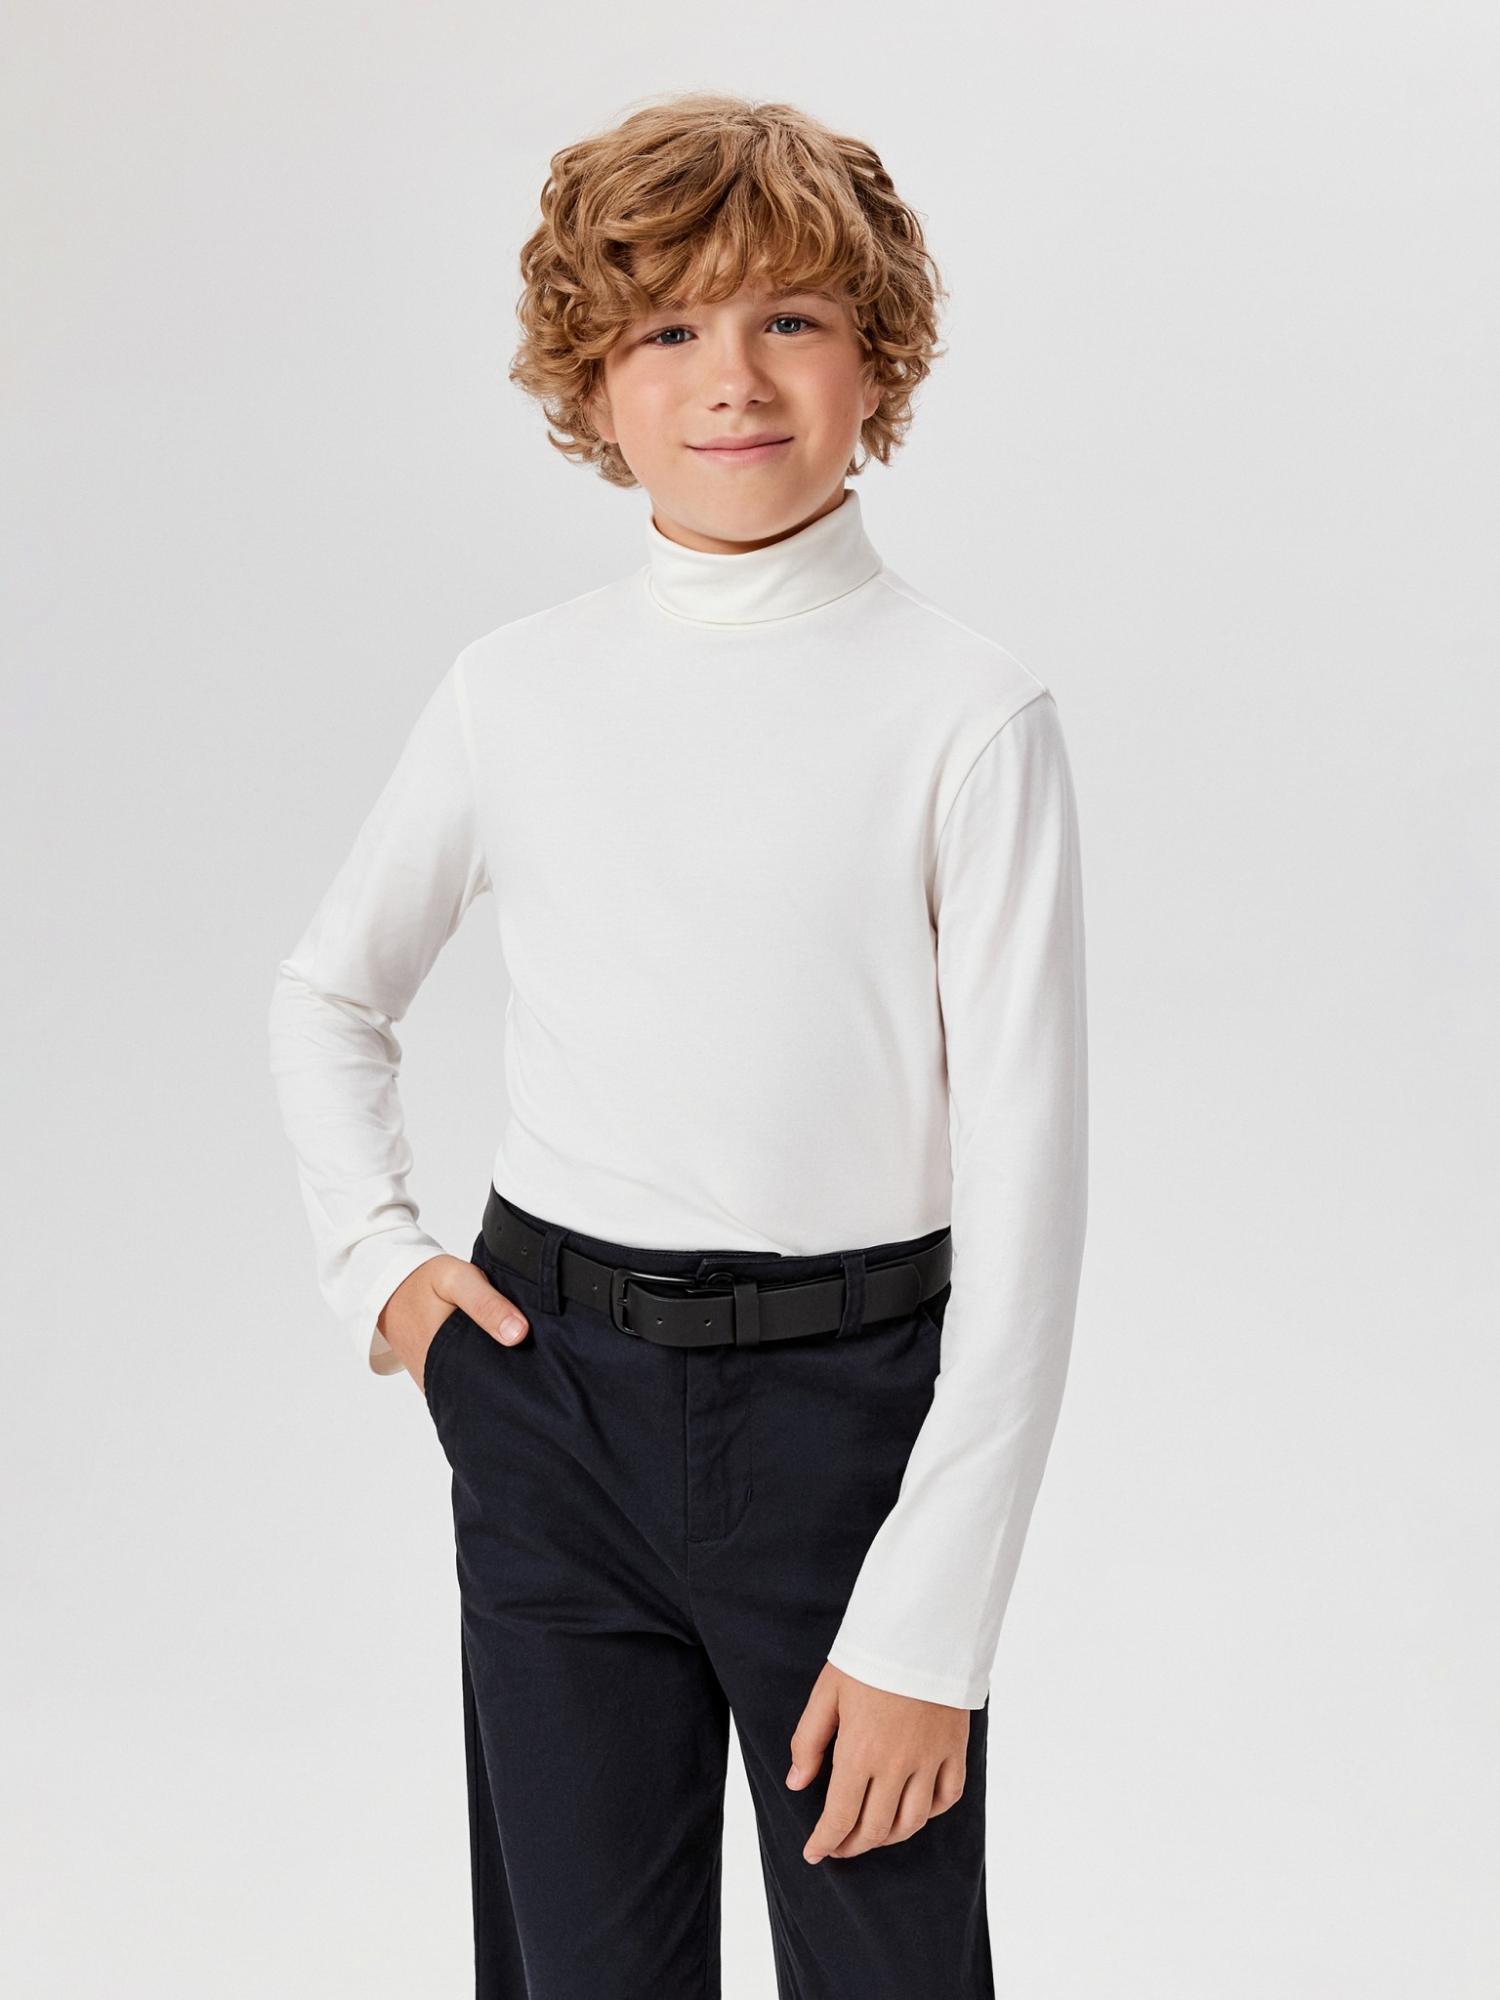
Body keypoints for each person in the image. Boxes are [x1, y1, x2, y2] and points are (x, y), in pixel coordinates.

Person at [268, 90, 1089, 2000]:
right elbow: (330, 993)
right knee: (580, 1968)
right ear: (595, 383)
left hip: (851, 1433)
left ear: (878, 357)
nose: (733, 377)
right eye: (667, 330)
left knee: (889, 1960)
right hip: (550, 1402)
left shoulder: (967, 715)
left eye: (790, 317)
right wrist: (383, 1269)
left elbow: (1031, 1207)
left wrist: (932, 1625)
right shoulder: (518, 690)